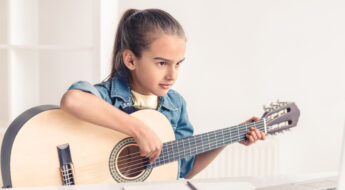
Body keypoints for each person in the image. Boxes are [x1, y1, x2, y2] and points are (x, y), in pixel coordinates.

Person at [60, 8, 265, 179]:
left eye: (178, 64)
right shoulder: (108, 96)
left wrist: (231, 136)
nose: (172, 75)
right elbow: (73, 100)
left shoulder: (176, 105)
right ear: (131, 60)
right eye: (161, 63)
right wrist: (139, 130)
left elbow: (183, 169)